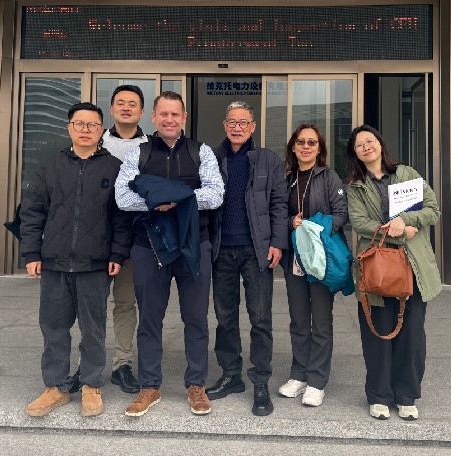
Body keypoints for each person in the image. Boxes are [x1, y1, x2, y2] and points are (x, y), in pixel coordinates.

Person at [115, 90, 224, 417]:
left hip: (194, 244)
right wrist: (160, 200)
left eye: (175, 114)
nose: (169, 119)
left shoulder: (201, 151)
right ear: (153, 117)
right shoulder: (139, 153)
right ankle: (150, 385)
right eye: (163, 114)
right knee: (149, 318)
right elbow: (123, 197)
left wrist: (173, 199)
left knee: (196, 318)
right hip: (149, 246)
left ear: (184, 117)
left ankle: (196, 384)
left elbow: (215, 194)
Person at [20, 102, 126, 418]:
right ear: (69, 128)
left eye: (92, 125)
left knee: (93, 328)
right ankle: (56, 387)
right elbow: (32, 211)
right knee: (53, 327)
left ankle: (91, 384)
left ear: (101, 130)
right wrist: (31, 253)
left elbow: (122, 218)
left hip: (95, 263)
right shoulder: (51, 165)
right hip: (54, 261)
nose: (85, 130)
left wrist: (117, 254)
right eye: (79, 124)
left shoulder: (114, 167)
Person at [345, 124, 441, 422]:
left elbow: (433, 210)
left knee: (411, 334)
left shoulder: (407, 174)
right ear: (355, 153)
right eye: (359, 145)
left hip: (412, 266)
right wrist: (397, 231)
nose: (366, 147)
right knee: (377, 333)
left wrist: (407, 220)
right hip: (377, 267)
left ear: (380, 143)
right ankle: (379, 396)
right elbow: (359, 222)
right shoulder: (355, 187)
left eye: (370, 140)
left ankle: (406, 395)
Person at [206, 101, 288, 416]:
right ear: (224, 125)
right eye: (232, 121)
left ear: (253, 126)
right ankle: (231, 375)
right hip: (221, 250)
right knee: (225, 318)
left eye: (243, 122)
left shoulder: (267, 159)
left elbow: (279, 203)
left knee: (260, 319)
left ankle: (260, 381)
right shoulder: (212, 157)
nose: (237, 127)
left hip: (257, 250)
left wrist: (277, 242)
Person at [278, 123, 348, 408]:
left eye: (312, 142)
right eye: (301, 142)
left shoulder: (329, 177)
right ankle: (299, 374)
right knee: (298, 320)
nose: (306, 146)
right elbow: (276, 214)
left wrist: (314, 227)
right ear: (293, 147)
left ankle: (317, 380)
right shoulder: (286, 179)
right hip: (295, 259)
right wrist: (290, 222)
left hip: (321, 258)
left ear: (319, 149)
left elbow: (342, 214)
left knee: (320, 321)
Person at [101, 84, 148, 394]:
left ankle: (122, 363)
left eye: (133, 103)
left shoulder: (150, 147)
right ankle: (89, 362)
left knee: (125, 303)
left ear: (142, 112)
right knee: (90, 305)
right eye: (121, 102)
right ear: (112, 109)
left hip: (133, 239)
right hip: (96, 238)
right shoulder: (97, 141)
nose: (126, 107)